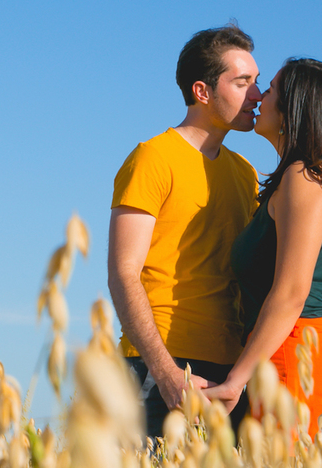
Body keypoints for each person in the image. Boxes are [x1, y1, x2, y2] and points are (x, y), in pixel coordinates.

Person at [205, 58, 322, 448]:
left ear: (293, 109)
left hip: (299, 356)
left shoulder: (303, 177)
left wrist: (236, 380)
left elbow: (290, 294)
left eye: (269, 90)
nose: (258, 96)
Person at [108, 23, 262, 438]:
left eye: (257, 82)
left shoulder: (246, 174)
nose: (257, 95)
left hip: (230, 376)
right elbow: (123, 271)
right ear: (202, 91)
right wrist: (165, 372)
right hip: (159, 368)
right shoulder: (152, 158)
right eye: (243, 81)